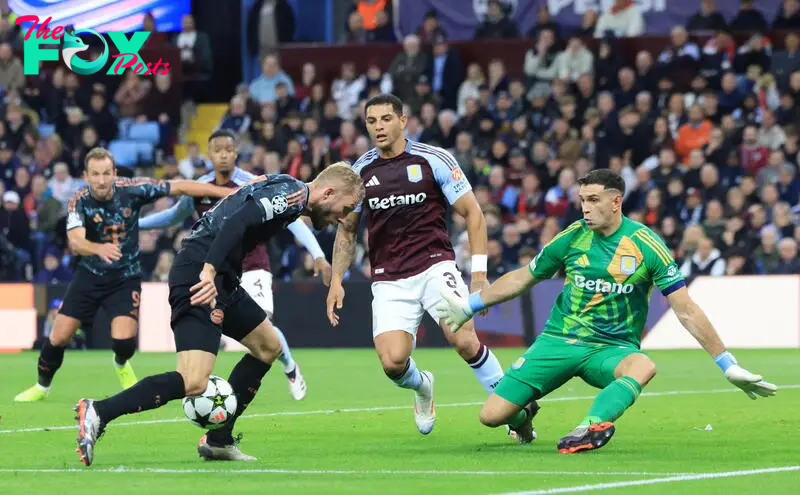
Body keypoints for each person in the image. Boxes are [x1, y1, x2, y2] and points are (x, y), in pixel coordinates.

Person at [436, 169, 777, 453]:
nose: (585, 208)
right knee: (492, 415)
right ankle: (524, 415)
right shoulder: (572, 237)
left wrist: (727, 363)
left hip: (611, 349)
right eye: (582, 200)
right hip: (559, 341)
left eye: (593, 200)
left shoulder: (645, 243)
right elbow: (524, 277)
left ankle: (589, 427)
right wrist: (470, 304)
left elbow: (685, 309)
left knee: (643, 365)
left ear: (616, 202)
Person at [74, 163, 364, 466]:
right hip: (200, 274)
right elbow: (237, 222)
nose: (342, 219)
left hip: (223, 279)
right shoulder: (289, 194)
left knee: (269, 346)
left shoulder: (292, 194)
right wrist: (209, 270)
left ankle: (218, 440)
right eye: (343, 209)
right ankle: (99, 411)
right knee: (194, 380)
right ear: (328, 193)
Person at [326, 94, 515, 439]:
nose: (379, 127)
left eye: (386, 119)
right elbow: (347, 229)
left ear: (403, 121)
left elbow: (473, 213)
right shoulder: (360, 172)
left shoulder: (434, 159)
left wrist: (479, 277)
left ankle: (512, 406)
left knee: (462, 338)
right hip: (388, 277)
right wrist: (336, 278)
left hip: (434, 266)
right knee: (393, 363)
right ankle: (423, 386)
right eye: (372, 121)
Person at [14, 148, 232, 402]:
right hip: (90, 276)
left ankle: (120, 362)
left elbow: (179, 186)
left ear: (115, 174)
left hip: (125, 279)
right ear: (86, 176)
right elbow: (75, 241)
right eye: (95, 174)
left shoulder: (132, 189)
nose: (102, 180)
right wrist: (98, 248)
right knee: (59, 336)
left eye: (107, 173)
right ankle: (42, 387)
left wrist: (225, 193)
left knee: (124, 342)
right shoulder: (79, 200)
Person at [139, 129, 329, 400]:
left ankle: (288, 366)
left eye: (229, 150)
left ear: (236, 153)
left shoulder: (252, 183)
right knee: (217, 337)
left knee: (264, 324)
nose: (224, 155)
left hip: (252, 265)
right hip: (215, 268)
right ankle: (217, 400)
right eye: (218, 150)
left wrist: (318, 254)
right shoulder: (200, 188)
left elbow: (293, 219)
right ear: (210, 155)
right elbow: (172, 216)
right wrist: (136, 225)